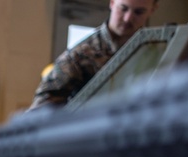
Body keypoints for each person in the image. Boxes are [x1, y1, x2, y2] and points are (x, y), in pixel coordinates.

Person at [29, 0, 159, 109]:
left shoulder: (157, 50)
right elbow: (42, 107)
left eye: (139, 12)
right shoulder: (81, 54)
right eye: (123, 8)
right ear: (112, 3)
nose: (128, 18)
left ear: (153, 9)